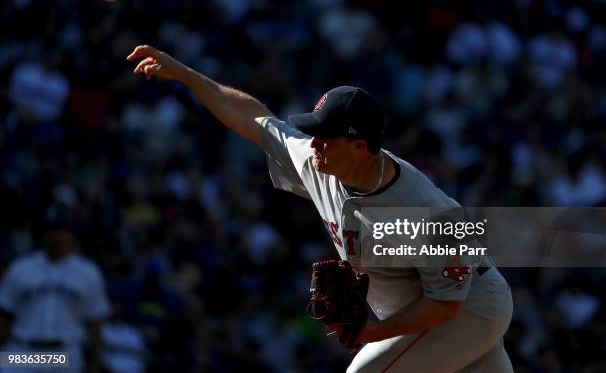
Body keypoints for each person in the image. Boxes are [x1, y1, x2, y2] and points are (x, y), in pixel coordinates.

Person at [126, 45, 514, 372]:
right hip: (429, 307)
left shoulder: (426, 212)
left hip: (468, 306)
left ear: (359, 146)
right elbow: (253, 118)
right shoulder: (319, 162)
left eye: (324, 138)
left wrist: (374, 332)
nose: (313, 144)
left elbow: (446, 304)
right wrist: (186, 75)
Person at [0, 209, 111, 373]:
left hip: (65, 351)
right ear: (42, 235)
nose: (55, 237)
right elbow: (5, 316)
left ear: (71, 235)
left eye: (61, 232)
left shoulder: (88, 272)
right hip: (23, 349)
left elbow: (95, 321)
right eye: (50, 231)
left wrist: (96, 362)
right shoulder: (20, 268)